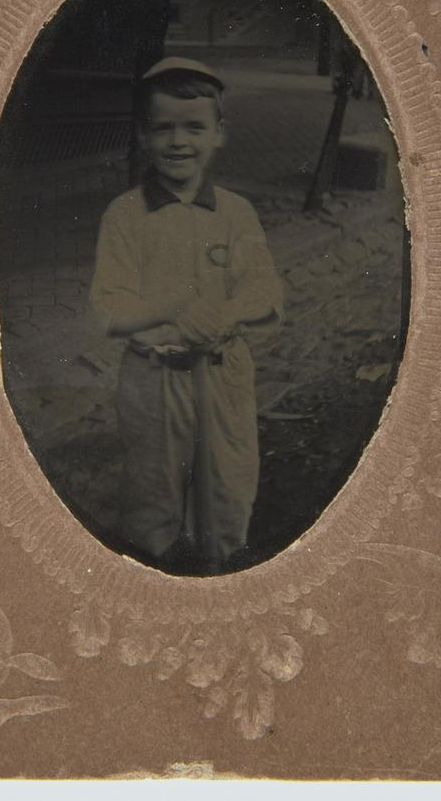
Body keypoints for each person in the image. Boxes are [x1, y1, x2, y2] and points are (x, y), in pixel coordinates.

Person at [89, 57, 283, 575]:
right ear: (143, 135)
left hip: (223, 377)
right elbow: (110, 310)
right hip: (155, 380)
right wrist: (174, 305)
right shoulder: (126, 216)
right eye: (163, 127)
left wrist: (224, 311)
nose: (178, 141)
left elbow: (264, 291)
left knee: (228, 494)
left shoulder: (236, 213)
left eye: (194, 127)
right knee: (153, 497)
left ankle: (223, 576)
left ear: (219, 133)